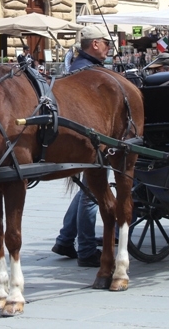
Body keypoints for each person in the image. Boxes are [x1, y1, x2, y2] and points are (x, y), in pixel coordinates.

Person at [52, 24, 112, 268]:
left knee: (87, 190)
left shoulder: (81, 66)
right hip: (91, 138)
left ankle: (65, 239)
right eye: (106, 42)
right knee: (91, 194)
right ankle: (86, 249)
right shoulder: (88, 72)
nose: (109, 47)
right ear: (94, 44)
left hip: (85, 136)